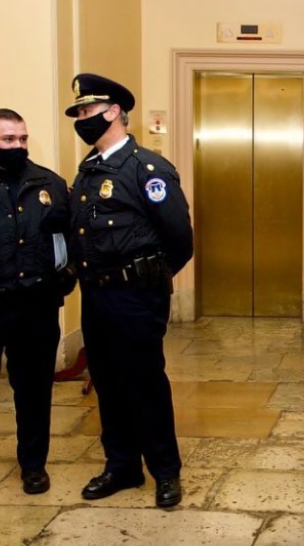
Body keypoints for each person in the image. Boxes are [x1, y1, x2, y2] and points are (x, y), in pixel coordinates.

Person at [64, 74, 194, 508]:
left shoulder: (146, 167)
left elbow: (179, 237)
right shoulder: (88, 171)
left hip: (136, 298)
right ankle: (121, 466)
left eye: (87, 111)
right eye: (79, 113)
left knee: (144, 384)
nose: (81, 119)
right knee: (107, 382)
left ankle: (165, 471)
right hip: (97, 297)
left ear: (114, 111)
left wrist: (148, 276)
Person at [0, 108, 71, 495]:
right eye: (8, 140)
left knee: (33, 389)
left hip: (36, 307)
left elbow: (70, 238)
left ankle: (33, 464)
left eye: (23, 139)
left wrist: (66, 278)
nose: (18, 146)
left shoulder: (50, 184)